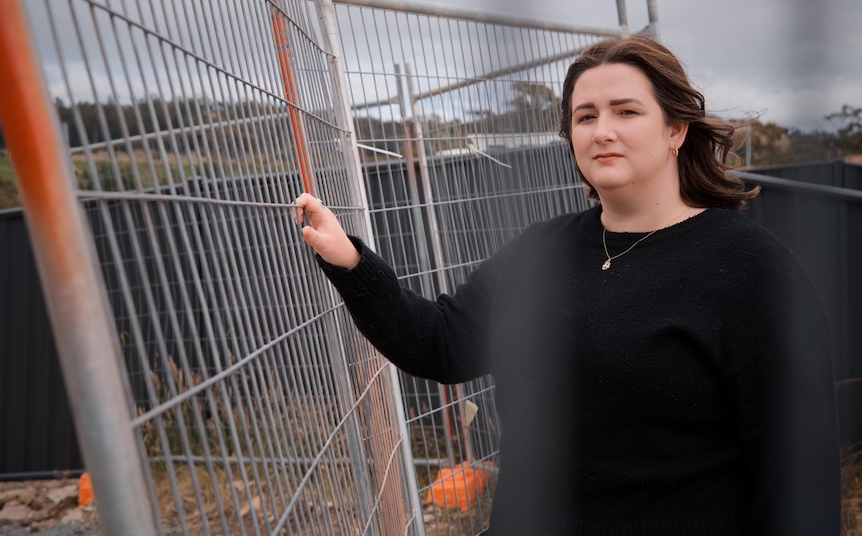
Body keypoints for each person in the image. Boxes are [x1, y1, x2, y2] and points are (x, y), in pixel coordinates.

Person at [294, 35, 841, 535]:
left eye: (626, 111)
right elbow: (441, 342)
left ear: (676, 130)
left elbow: (798, 475)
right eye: (585, 116)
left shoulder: (750, 269)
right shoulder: (539, 251)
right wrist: (350, 261)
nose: (602, 131)